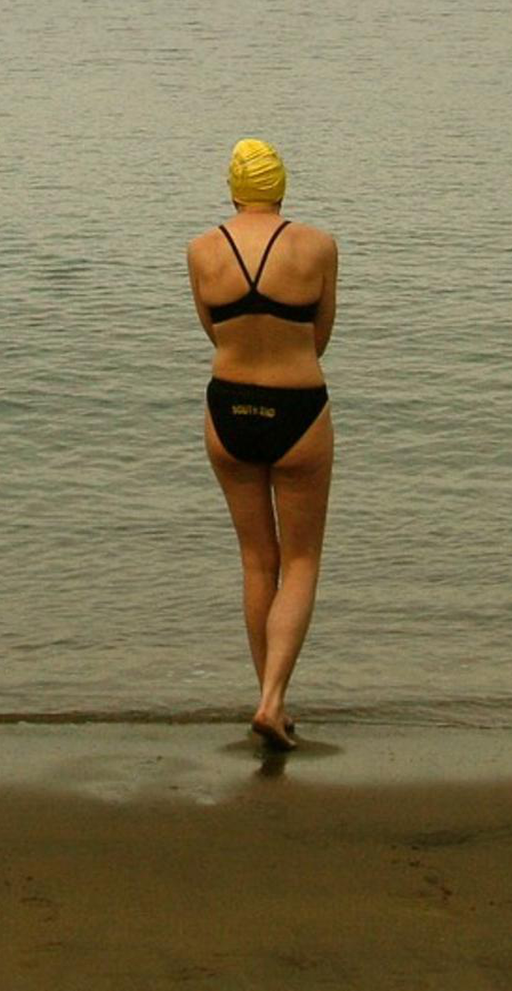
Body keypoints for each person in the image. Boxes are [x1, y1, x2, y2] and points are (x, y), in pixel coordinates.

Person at [190, 138, 335, 749]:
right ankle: (274, 699)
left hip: (228, 409)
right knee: (300, 562)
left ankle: (267, 699)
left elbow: (211, 331)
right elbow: (320, 335)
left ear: (232, 188)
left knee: (257, 561)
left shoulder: (202, 249)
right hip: (298, 408)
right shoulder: (316, 246)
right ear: (281, 187)